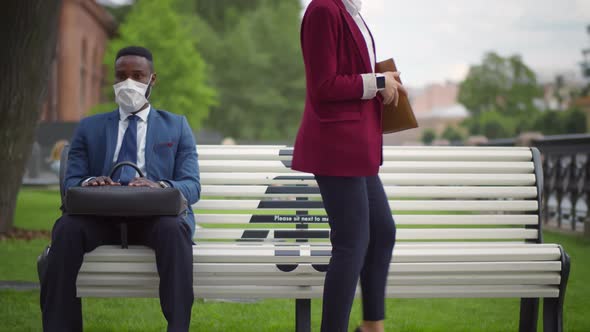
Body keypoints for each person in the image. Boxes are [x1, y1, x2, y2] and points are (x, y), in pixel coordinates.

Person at [40, 46, 200, 332]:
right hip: (100, 218)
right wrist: (91, 183)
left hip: (155, 219)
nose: (129, 83)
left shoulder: (177, 127)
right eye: (121, 76)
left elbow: (192, 185)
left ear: (153, 79)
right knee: (65, 229)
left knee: (175, 231)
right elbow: (71, 182)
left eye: (137, 76)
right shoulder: (89, 127)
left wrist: (160, 186)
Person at [291, 1, 406, 331]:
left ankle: (371, 326)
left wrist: (384, 81)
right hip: (336, 146)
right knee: (352, 243)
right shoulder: (324, 9)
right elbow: (324, 85)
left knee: (382, 231)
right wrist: (378, 83)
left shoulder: (349, 11)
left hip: (356, 147)